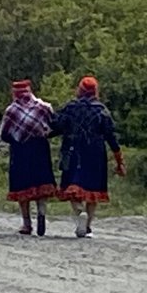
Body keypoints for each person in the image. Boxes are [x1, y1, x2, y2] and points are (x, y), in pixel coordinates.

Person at [54, 75, 125, 238]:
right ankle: (87, 227)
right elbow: (111, 137)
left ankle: (79, 211)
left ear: (80, 90)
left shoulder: (70, 108)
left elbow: (57, 126)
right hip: (95, 152)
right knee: (93, 190)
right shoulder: (102, 111)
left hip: (71, 150)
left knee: (71, 186)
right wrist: (119, 160)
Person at [0, 79, 56, 237]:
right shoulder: (44, 107)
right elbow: (55, 125)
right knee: (41, 181)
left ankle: (27, 223)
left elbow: (4, 134)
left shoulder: (12, 110)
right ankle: (41, 211)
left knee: (22, 185)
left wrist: (15, 139)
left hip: (20, 150)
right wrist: (44, 134)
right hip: (40, 148)